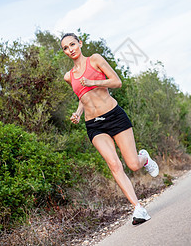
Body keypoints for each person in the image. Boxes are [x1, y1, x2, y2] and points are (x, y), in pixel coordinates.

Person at [61, 33, 159, 225]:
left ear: (80, 43)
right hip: (94, 125)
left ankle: (145, 158)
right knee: (114, 165)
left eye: (72, 44)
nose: (70, 49)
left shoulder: (95, 59)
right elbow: (83, 96)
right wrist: (78, 113)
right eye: (65, 47)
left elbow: (117, 82)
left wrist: (94, 82)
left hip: (114, 116)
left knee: (132, 164)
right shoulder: (68, 76)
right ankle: (138, 208)